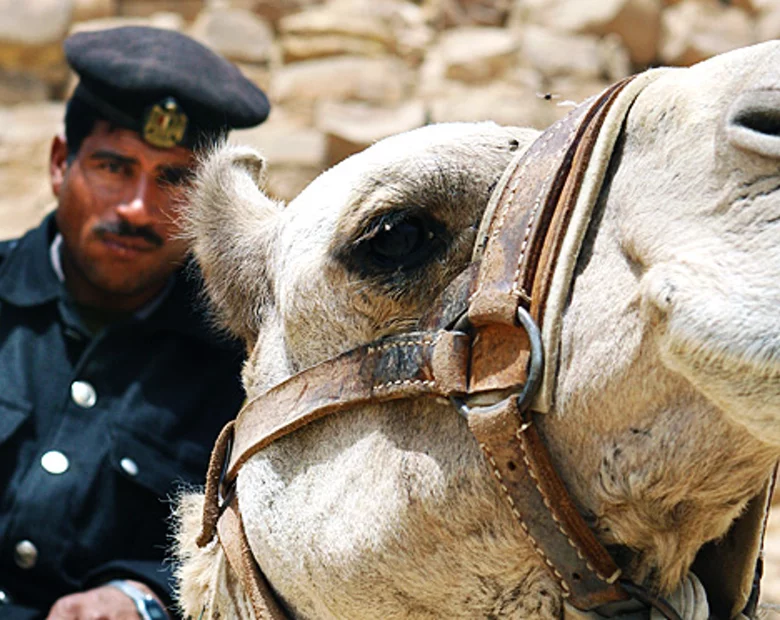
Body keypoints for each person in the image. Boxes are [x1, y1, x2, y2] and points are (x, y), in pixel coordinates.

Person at [0, 25, 270, 620]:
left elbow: (256, 534)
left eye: (173, 179)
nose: (137, 209)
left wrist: (140, 595)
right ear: (58, 163)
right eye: (113, 166)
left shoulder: (242, 366)